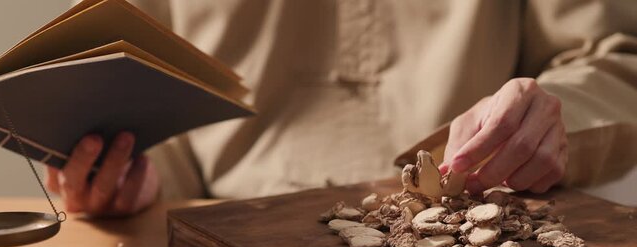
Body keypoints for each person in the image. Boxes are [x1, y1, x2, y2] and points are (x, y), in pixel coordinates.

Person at [46, 0, 637, 217]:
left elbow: (612, 59)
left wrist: (552, 119)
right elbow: (144, 77)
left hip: (466, 235)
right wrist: (129, 183)